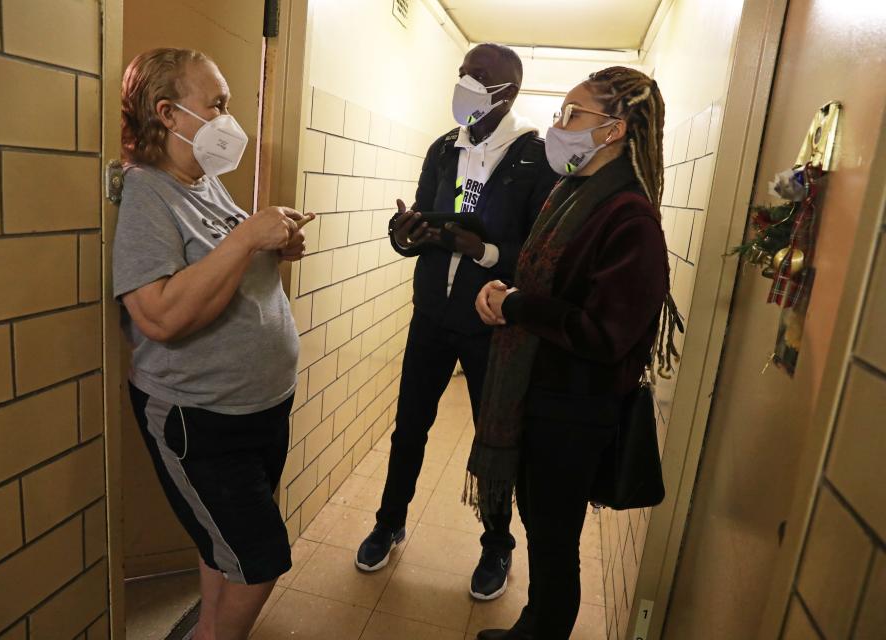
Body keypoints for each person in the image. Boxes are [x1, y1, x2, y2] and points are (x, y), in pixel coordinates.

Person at [113, 48, 312, 640]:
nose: (230, 119)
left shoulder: (204, 184)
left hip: (259, 406)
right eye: (218, 105)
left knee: (220, 539)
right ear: (169, 114)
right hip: (197, 416)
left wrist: (269, 246)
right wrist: (247, 236)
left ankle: (206, 627)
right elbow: (159, 316)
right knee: (260, 556)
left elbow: (219, 268)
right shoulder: (146, 192)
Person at [469, 67, 672, 638]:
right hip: (542, 397)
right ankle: (535, 622)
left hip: (575, 412)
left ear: (617, 130)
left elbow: (606, 333)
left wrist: (515, 308)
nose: (560, 127)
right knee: (540, 523)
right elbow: (548, 284)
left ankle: (544, 629)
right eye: (561, 113)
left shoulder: (630, 216)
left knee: (554, 536)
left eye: (574, 115)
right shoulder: (572, 193)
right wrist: (503, 292)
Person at [355, 43, 559, 601]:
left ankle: (497, 546)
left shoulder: (534, 157)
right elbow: (422, 221)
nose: (465, 82)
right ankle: (388, 521)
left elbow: (534, 254)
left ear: (508, 91)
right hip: (431, 315)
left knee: (493, 437)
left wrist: (482, 251)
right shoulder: (445, 148)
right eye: (463, 72)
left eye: (480, 76)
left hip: (490, 324)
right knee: (410, 426)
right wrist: (405, 235)